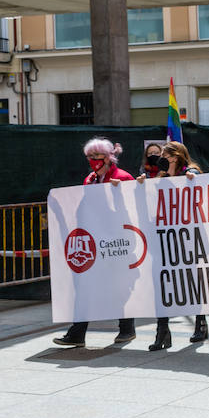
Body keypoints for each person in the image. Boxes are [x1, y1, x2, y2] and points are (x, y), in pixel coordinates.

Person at [54, 138, 137, 348]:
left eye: (97, 157)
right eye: (89, 157)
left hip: (116, 242)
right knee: (85, 287)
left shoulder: (122, 177)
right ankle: (77, 332)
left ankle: (127, 328)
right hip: (94, 242)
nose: (92, 161)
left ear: (108, 158)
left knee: (118, 287)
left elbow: (132, 209)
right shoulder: (90, 179)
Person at [148, 143, 208, 350]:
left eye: (165, 154)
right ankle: (162, 331)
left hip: (189, 236)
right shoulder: (161, 177)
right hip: (165, 238)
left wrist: (193, 181)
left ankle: (201, 322)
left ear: (176, 156)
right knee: (162, 283)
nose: (161, 157)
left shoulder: (191, 173)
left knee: (191, 281)